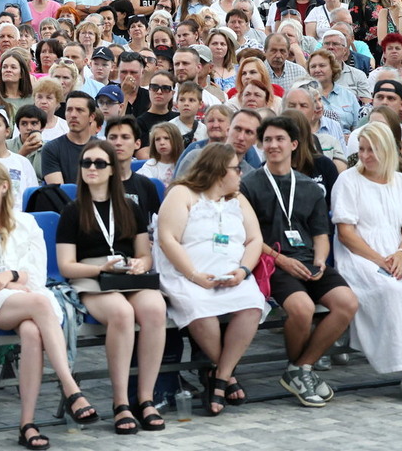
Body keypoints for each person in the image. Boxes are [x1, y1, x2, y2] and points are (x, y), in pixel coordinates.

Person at [0, 161, 97, 449]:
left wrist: (11, 276)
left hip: (25, 302)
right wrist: (2, 280)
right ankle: (70, 386)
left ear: (4, 186)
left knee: (32, 332)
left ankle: (27, 424)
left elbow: (38, 276)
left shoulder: (27, 223)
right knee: (40, 304)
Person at [240, 117, 357, 407]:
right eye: (267, 140)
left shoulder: (309, 187)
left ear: (293, 144)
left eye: (280, 139)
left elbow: (321, 235)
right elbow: (248, 237)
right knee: (302, 308)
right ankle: (301, 369)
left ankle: (300, 368)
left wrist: (319, 262)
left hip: (307, 261)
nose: (273, 145)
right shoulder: (249, 185)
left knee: (347, 303)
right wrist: (281, 260)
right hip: (270, 262)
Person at [55, 140, 167, 433]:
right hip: (90, 275)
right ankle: (121, 403)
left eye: (99, 163)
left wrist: (142, 263)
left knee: (155, 308)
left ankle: (145, 398)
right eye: (86, 163)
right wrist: (100, 268)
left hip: (127, 273)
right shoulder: (72, 210)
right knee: (121, 313)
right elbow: (67, 265)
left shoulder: (130, 207)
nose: (92, 168)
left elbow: (144, 253)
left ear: (112, 170)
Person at [331, 122, 402, 402]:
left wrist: (400, 255)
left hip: (398, 251)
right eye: (361, 149)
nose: (365, 156)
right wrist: (379, 260)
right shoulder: (348, 180)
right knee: (392, 290)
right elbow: (346, 233)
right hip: (361, 254)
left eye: (372, 150)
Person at [156, 143, 267, 417]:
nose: (241, 173)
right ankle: (226, 379)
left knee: (252, 304)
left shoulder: (237, 198)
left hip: (232, 273)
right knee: (200, 310)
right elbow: (167, 238)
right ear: (219, 171)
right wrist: (194, 274)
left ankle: (219, 376)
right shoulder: (182, 193)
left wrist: (243, 271)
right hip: (188, 274)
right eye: (236, 168)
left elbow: (255, 239)